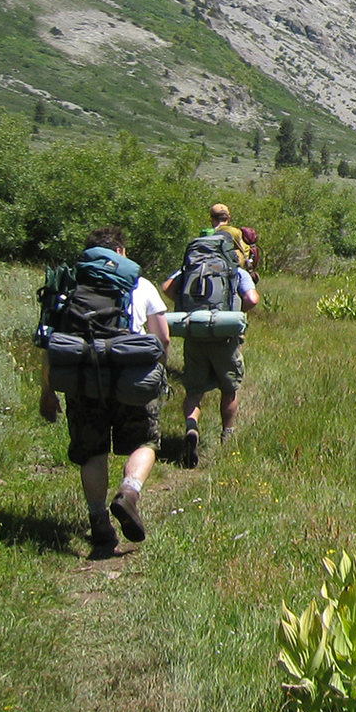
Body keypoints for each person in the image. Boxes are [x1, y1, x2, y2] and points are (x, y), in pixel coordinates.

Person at [39, 226, 169, 555]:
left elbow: (50, 344)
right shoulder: (139, 283)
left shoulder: (69, 284)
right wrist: (157, 373)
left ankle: (99, 522)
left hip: (83, 380)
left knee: (92, 451)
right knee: (144, 441)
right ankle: (129, 492)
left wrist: (47, 391)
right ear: (121, 252)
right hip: (131, 378)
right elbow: (162, 337)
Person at [162, 224, 259, 467]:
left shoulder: (190, 266)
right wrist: (237, 313)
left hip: (195, 334)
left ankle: (191, 428)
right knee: (229, 388)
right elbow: (252, 299)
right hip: (224, 336)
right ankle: (227, 433)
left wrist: (187, 305)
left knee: (194, 390)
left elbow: (167, 288)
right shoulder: (234, 269)